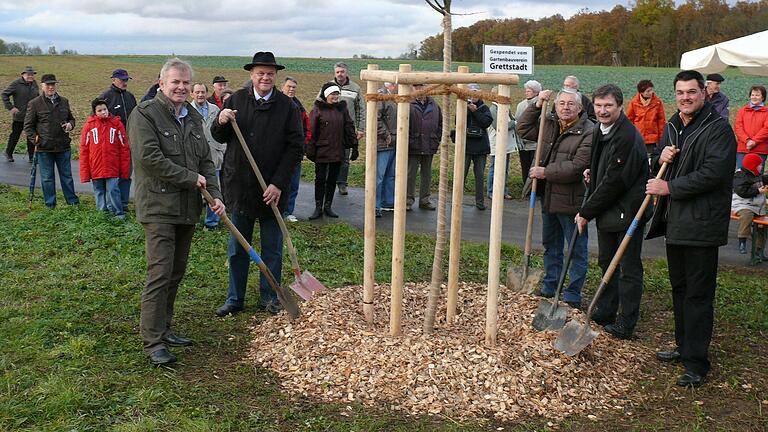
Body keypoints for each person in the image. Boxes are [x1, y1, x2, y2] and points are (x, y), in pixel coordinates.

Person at [128, 58, 224, 366]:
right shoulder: (145, 114)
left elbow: (206, 160)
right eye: (175, 82)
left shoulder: (194, 117)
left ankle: (164, 328)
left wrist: (216, 195)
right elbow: (148, 158)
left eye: (185, 82)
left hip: (187, 208)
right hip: (158, 207)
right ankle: (153, 341)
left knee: (176, 271)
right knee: (159, 272)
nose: (181, 87)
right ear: (161, 83)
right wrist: (189, 177)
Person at [646, 70, 736, 388]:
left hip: (702, 223)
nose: (685, 97)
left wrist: (668, 188)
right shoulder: (673, 125)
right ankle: (684, 348)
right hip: (677, 223)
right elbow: (656, 160)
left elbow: (714, 173)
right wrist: (661, 156)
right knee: (680, 289)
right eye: (681, 92)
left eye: (692, 92)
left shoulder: (718, 129)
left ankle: (697, 362)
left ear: (704, 94)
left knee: (698, 295)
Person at [211, 51, 304, 317]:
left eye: (270, 73)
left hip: (272, 192)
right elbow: (219, 137)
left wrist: (278, 184)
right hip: (241, 188)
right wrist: (221, 120)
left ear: (275, 77)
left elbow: (296, 147)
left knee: (272, 249)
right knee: (238, 248)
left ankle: (271, 297)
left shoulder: (288, 107)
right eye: (260, 73)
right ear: (251, 75)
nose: (265, 77)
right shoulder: (236, 101)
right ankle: (235, 298)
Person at [574, 84, 649, 340]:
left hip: (628, 211)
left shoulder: (626, 135)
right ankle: (605, 310)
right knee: (606, 262)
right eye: (598, 106)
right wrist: (592, 174)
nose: (603, 111)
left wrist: (586, 211)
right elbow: (603, 167)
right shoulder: (599, 128)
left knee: (628, 268)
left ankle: (626, 322)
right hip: (608, 210)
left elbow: (616, 182)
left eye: (608, 106)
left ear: (619, 106)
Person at [518, 88, 594, 308]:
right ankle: (551, 285)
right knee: (551, 244)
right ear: (556, 105)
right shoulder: (549, 123)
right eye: (561, 103)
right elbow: (523, 128)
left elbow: (577, 166)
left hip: (572, 200)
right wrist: (537, 105)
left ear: (580, 108)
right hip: (548, 195)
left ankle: (572, 293)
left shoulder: (588, 131)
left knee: (575, 248)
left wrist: (545, 172)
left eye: (571, 104)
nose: (566, 107)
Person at [23, 74, 79, 208]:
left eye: (53, 84)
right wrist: (36, 141)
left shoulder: (64, 101)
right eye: (48, 84)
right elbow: (28, 126)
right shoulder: (35, 104)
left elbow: (71, 119)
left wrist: (70, 125)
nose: (51, 87)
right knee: (47, 178)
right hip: (44, 148)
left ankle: (73, 203)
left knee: (67, 177)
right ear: (42, 86)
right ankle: (50, 205)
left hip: (63, 146)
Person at [306, 82, 357, 219]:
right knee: (320, 179)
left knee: (332, 179)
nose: (335, 96)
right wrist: (310, 151)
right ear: (326, 95)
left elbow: (349, 126)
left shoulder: (342, 110)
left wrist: (354, 144)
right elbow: (311, 132)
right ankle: (318, 207)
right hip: (322, 151)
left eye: (337, 94)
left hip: (337, 150)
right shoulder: (318, 110)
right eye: (333, 94)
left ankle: (328, 206)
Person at [79, 98, 130, 219]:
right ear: (94, 112)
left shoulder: (116, 124)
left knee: (113, 189)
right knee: (99, 190)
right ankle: (102, 213)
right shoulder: (89, 126)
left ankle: (118, 213)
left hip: (112, 166)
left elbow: (124, 148)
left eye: (105, 109)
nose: (103, 112)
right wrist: (85, 171)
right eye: (100, 110)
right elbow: (84, 149)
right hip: (96, 166)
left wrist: (124, 168)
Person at [100, 68, 138, 213]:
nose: (125, 82)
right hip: (112, 145)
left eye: (126, 79)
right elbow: (96, 119)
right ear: (113, 80)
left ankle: (123, 203)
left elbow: (136, 117)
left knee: (126, 175)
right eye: (122, 80)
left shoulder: (130, 97)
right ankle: (110, 206)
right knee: (112, 177)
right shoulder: (106, 97)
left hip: (128, 144)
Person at [325, 62, 365, 196]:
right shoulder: (328, 86)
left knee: (345, 159)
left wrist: (360, 129)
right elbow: (318, 104)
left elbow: (361, 110)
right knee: (329, 157)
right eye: (337, 72)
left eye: (342, 71)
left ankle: (342, 183)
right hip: (330, 130)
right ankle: (328, 182)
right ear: (334, 73)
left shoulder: (355, 88)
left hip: (347, 130)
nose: (340, 74)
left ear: (346, 72)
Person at [190, 83, 225, 230]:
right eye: (197, 92)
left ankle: (212, 223)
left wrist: (222, 149)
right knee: (193, 191)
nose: (200, 95)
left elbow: (221, 130)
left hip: (213, 156)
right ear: (191, 94)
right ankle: (192, 221)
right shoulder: (186, 110)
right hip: (194, 158)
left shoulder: (215, 109)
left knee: (213, 188)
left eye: (202, 92)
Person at [407, 82, 442, 211]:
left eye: (422, 86)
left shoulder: (434, 105)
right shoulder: (408, 103)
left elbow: (440, 124)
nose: (419, 89)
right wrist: (409, 140)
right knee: (410, 174)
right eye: (416, 86)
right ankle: (408, 200)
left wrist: (436, 139)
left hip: (429, 145)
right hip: (413, 145)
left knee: (426, 174)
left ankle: (425, 200)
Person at [281, 76, 311, 223]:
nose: (291, 89)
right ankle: (273, 212)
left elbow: (307, 129)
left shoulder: (299, 107)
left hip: (295, 153)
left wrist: (302, 147)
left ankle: (288, 211)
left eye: (294, 87)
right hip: (277, 153)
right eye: (289, 86)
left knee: (293, 184)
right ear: (282, 87)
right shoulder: (276, 104)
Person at [459, 83, 493, 210]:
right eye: (470, 93)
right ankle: (458, 201)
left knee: (479, 176)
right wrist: (468, 110)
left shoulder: (484, 108)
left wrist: (476, 111)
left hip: (480, 149)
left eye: (475, 93)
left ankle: (480, 202)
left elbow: (486, 123)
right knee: (461, 175)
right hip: (466, 148)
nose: (473, 96)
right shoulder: (462, 107)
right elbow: (459, 122)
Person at [487, 85, 520, 200]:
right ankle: (491, 191)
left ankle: (503, 191)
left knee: (504, 169)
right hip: (497, 143)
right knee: (495, 168)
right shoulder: (493, 109)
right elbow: (498, 126)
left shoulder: (506, 107)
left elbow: (512, 119)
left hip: (506, 143)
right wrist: (514, 124)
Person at [731, 153, 767, 256]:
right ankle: (742, 240)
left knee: (763, 226)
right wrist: (758, 190)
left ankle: (759, 249)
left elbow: (764, 179)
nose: (761, 166)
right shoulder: (740, 176)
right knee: (747, 216)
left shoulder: (757, 175)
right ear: (752, 166)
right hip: (742, 205)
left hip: (757, 207)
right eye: (759, 165)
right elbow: (742, 192)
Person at [2, 66, 39, 162]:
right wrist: (10, 107)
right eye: (28, 74)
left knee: (31, 136)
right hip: (19, 116)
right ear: (23, 74)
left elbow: (38, 97)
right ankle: (8, 153)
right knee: (15, 135)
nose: (30, 76)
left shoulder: (34, 84)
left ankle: (31, 157)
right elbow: (4, 94)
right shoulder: (16, 84)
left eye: (32, 74)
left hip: (32, 116)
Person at [626, 79, 667, 157]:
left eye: (651, 90)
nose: (651, 92)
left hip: (652, 139)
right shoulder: (634, 103)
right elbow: (629, 120)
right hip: (638, 137)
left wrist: (662, 138)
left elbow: (661, 121)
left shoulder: (658, 103)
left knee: (650, 159)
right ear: (641, 92)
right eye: (648, 91)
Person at [734, 85, 768, 173]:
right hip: (743, 149)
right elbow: (738, 127)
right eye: (752, 95)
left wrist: (754, 141)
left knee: (757, 177)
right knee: (741, 175)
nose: (754, 97)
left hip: (760, 149)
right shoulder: (742, 111)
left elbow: (766, 129)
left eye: (757, 95)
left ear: (763, 97)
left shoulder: (767, 112)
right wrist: (747, 140)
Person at [376, 82, 397, 218]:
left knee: (391, 174)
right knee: (379, 175)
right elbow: (376, 118)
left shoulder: (399, 98)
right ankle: (375, 204)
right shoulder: (381, 97)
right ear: (391, 86)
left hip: (396, 142)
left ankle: (387, 202)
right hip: (383, 143)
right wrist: (386, 134)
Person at [515, 80, 541, 185]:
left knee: (532, 167)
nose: (526, 92)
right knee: (525, 166)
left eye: (529, 91)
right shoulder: (521, 105)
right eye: (526, 90)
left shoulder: (541, 104)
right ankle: (527, 188)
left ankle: (532, 188)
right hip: (524, 142)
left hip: (534, 143)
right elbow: (517, 120)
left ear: (536, 92)